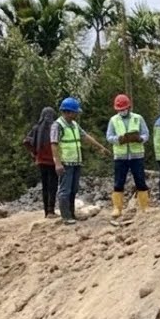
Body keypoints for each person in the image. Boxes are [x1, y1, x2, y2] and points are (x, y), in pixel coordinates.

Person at [50, 97, 110, 226]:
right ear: (68, 112)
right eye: (75, 112)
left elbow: (85, 136)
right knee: (65, 190)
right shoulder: (58, 125)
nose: (77, 114)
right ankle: (66, 216)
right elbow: (54, 145)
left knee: (73, 189)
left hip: (76, 162)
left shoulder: (74, 124)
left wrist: (100, 147)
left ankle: (71, 214)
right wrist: (57, 163)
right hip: (65, 163)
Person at [105, 93, 151, 217]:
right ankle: (117, 208)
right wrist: (118, 139)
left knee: (140, 180)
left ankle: (145, 206)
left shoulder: (138, 118)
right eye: (119, 110)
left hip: (137, 156)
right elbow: (109, 136)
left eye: (124, 109)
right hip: (120, 157)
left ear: (129, 107)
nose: (122, 111)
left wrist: (140, 139)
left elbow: (146, 133)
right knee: (118, 182)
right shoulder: (113, 120)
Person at [23, 106, 58, 218]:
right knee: (53, 186)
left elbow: (26, 141)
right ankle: (51, 210)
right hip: (53, 161)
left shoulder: (36, 128)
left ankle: (46, 212)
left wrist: (34, 153)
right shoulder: (55, 127)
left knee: (45, 186)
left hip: (41, 161)